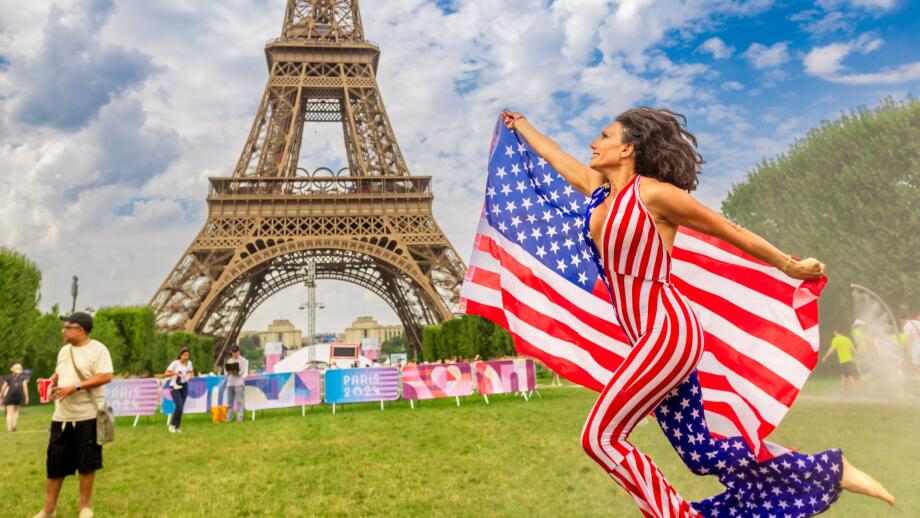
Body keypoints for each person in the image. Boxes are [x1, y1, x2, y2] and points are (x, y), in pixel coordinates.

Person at [503, 108, 894, 517]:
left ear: (627, 148)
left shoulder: (653, 194)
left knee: (600, 437)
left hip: (667, 332)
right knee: (699, 452)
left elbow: (730, 230)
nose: (593, 143)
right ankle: (827, 470)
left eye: (603, 136)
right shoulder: (598, 189)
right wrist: (522, 125)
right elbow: (554, 152)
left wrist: (791, 266)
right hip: (648, 339)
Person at [34, 312, 113, 518]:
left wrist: (75, 387)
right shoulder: (63, 351)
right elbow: (60, 371)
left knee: (87, 463)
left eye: (68, 327)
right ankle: (48, 509)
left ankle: (85, 507)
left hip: (88, 415)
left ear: (81, 330)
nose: (63, 331)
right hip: (61, 416)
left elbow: (106, 375)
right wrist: (50, 380)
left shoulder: (98, 350)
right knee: (54, 463)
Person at [164, 348, 194, 433]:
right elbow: (165, 374)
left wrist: (191, 376)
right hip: (175, 386)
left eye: (188, 355)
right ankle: (172, 425)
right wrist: (175, 373)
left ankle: (177, 427)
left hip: (184, 386)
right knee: (179, 406)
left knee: (180, 408)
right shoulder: (175, 363)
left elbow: (191, 372)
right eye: (185, 355)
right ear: (180, 355)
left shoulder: (189, 363)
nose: (186, 357)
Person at [822, 330, 860, 395]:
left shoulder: (836, 339)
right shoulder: (847, 339)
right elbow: (853, 350)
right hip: (849, 360)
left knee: (850, 376)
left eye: (834, 332)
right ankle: (842, 392)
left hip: (844, 361)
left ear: (836, 332)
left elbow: (831, 349)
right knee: (844, 376)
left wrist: (825, 357)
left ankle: (857, 393)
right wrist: (857, 357)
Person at [224, 345, 248, 423]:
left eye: (236, 352)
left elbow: (242, 372)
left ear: (239, 351)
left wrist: (236, 372)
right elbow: (225, 372)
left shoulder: (243, 360)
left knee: (240, 402)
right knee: (229, 403)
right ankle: (228, 418)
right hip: (230, 383)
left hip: (239, 383)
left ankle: (239, 418)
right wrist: (229, 372)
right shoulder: (229, 360)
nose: (235, 354)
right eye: (233, 352)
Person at [2, 363, 29, 431]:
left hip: (9, 396)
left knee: (9, 413)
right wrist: (26, 397)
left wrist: (1, 395)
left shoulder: (8, 377)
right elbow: (25, 388)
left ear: (13, 370)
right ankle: (14, 426)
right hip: (18, 397)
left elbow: (3, 388)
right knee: (16, 412)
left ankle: (9, 429)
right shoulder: (23, 378)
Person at [904, 311, 920, 379]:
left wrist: (908, 350)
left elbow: (909, 339)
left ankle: (917, 378)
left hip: (915, 347)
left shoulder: (907, 325)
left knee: (915, 364)